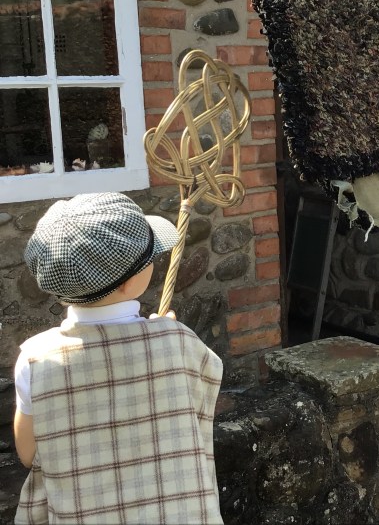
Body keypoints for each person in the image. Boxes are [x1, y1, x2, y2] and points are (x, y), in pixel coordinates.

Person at [13, 192, 224, 524]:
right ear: (129, 282)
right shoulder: (180, 341)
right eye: (149, 258)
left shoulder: (35, 360)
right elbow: (196, 407)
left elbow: (29, 454)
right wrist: (164, 334)